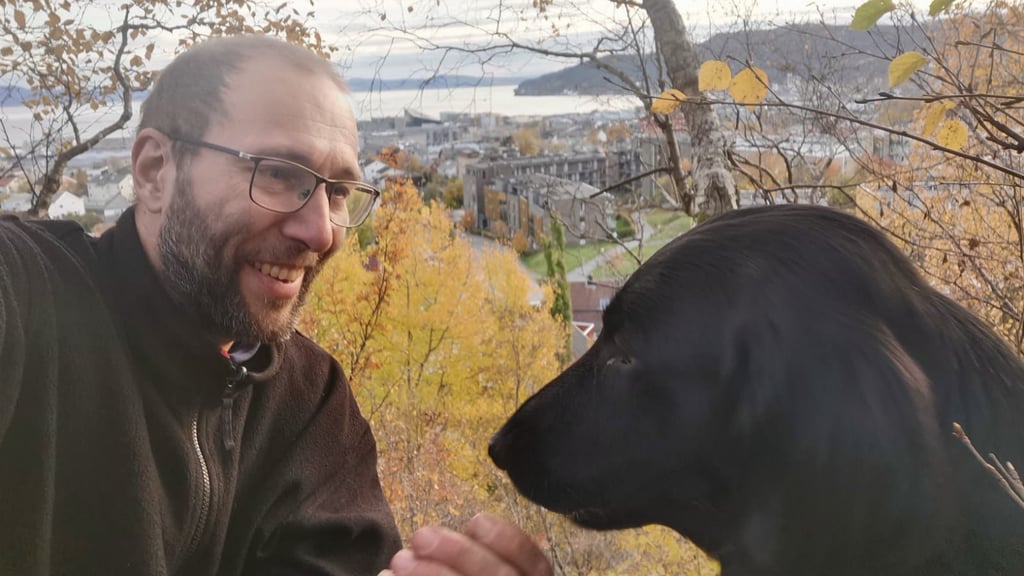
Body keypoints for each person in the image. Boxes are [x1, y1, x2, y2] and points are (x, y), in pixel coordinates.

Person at [0, 34, 551, 576]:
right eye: (279, 174)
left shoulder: (313, 408)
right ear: (153, 172)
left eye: (337, 192)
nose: (320, 233)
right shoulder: (29, 299)